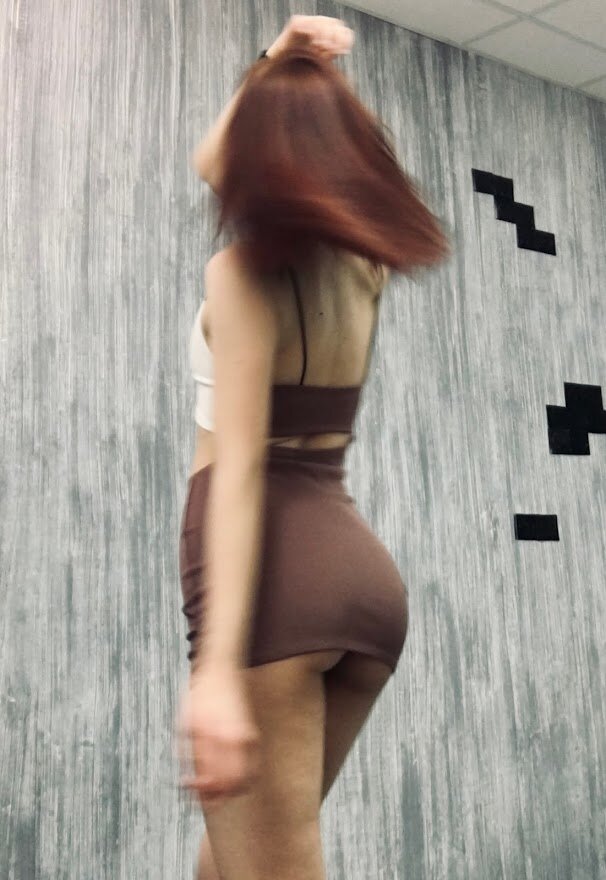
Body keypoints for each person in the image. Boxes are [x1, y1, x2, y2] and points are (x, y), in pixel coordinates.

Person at [176, 14, 452, 880]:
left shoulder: (242, 276)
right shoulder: (365, 263)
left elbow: (240, 475)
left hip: (276, 582)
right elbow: (215, 160)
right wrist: (286, 58)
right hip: (360, 579)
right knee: (228, 867)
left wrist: (216, 671)